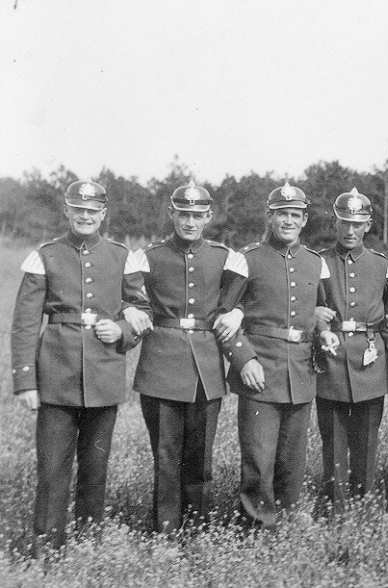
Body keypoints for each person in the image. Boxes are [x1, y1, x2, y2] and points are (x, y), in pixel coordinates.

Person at [10, 180, 151, 553]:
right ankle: (47, 549)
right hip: (56, 374)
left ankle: (89, 543)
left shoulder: (122, 256)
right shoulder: (45, 255)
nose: (85, 216)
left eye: (93, 210)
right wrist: (26, 382)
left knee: (95, 468)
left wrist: (120, 329)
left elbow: (144, 314)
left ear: (103, 214)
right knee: (52, 470)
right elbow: (25, 323)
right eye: (79, 209)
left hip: (104, 375)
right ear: (67, 211)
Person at [133, 180, 247, 533]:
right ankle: (166, 531)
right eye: (183, 214)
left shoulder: (225, 258)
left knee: (200, 456)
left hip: (206, 366)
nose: (190, 222)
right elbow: (127, 297)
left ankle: (197, 528)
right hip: (162, 364)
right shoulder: (148, 258)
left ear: (208, 217)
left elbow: (245, 297)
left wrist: (238, 312)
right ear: (172, 214)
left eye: (198, 215)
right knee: (166, 456)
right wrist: (129, 311)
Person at [219, 182, 326, 528]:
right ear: (270, 216)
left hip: (301, 370)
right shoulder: (246, 259)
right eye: (282, 215)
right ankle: (256, 524)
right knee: (258, 456)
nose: (288, 221)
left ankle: (290, 516)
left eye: (295, 215)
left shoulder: (315, 263)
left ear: (304, 219)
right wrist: (244, 358)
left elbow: (323, 312)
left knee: (293, 456)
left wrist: (326, 330)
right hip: (259, 368)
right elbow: (223, 316)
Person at [312, 187, 388, 504]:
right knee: (334, 441)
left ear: (368, 225)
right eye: (344, 223)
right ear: (334, 224)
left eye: (358, 223)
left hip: (370, 360)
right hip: (332, 359)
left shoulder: (386, 266)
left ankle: (364, 503)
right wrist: (316, 318)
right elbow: (304, 306)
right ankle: (335, 507)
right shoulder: (319, 263)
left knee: (367, 440)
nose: (350, 230)